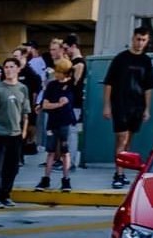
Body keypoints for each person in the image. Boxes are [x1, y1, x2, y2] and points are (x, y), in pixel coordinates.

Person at [103, 26, 153, 189]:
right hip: (120, 103)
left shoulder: (146, 61)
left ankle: (123, 172)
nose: (140, 43)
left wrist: (147, 108)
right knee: (121, 139)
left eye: (143, 40)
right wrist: (107, 106)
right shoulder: (120, 58)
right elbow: (108, 83)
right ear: (133, 39)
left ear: (147, 41)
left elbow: (149, 87)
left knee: (128, 142)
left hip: (137, 105)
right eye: (138, 39)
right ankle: (117, 174)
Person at [0, 57, 30, 208]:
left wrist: (23, 131)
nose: (8, 70)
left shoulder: (23, 88)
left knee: (12, 168)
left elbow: (25, 113)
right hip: (0, 134)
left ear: (18, 69)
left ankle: (6, 195)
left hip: (15, 135)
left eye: (11, 67)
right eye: (6, 67)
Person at [35, 58, 76, 193]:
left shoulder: (71, 85)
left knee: (65, 151)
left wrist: (56, 104)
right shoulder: (52, 85)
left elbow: (67, 100)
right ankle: (46, 178)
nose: (56, 74)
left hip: (65, 121)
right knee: (50, 151)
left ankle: (66, 179)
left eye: (59, 72)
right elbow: (45, 104)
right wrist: (58, 104)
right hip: (53, 121)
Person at [64, 34, 87, 169]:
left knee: (71, 132)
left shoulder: (78, 63)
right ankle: (68, 160)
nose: (66, 52)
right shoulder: (75, 63)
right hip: (71, 102)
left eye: (67, 49)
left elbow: (75, 83)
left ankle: (71, 161)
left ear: (73, 46)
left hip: (74, 102)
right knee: (69, 133)